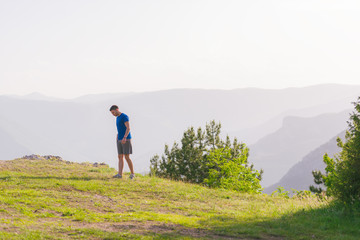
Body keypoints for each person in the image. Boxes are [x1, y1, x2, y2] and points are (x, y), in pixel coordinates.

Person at [109, 105, 135, 179]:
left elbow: (128, 128)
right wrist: (118, 135)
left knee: (127, 157)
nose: (113, 114)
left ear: (117, 110)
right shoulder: (117, 118)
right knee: (120, 156)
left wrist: (124, 137)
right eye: (112, 113)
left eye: (113, 112)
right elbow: (120, 128)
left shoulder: (124, 116)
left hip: (126, 139)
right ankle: (119, 174)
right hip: (119, 139)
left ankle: (132, 174)